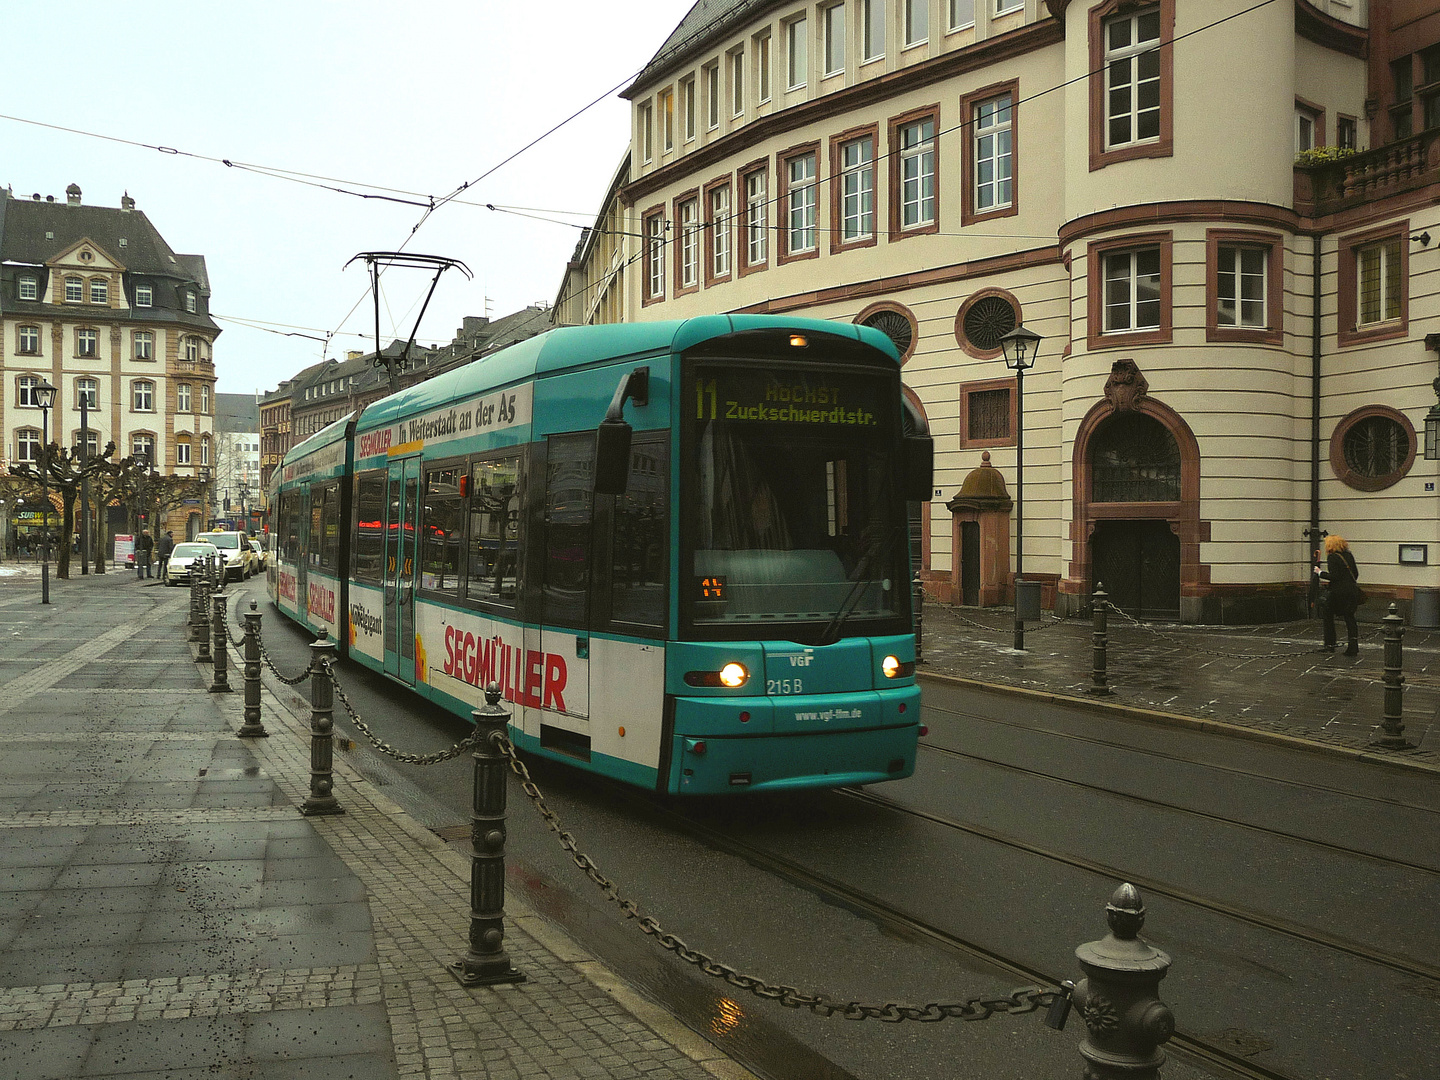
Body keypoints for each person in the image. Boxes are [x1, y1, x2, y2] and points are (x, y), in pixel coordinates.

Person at [1321, 534, 1362, 656]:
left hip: (1337, 594)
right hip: (1351, 591)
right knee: (1350, 618)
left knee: (1328, 617)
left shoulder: (1332, 557)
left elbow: (1334, 576)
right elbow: (1355, 573)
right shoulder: (1349, 555)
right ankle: (1353, 647)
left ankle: (1329, 645)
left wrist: (1320, 573)